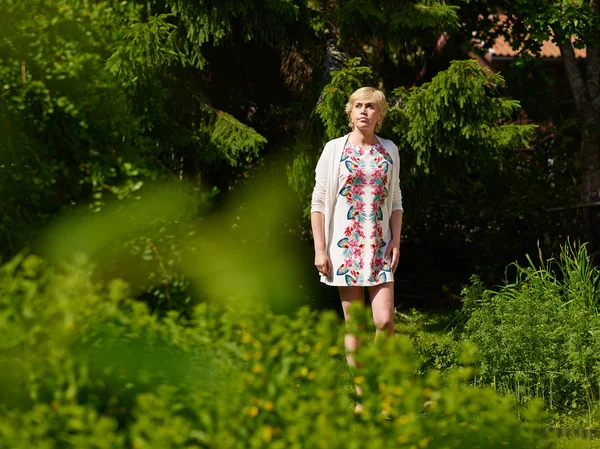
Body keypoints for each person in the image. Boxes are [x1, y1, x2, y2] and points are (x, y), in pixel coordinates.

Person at [310, 86, 403, 411]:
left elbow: (395, 200)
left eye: (371, 107)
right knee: (355, 324)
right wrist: (320, 249)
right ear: (349, 113)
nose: (364, 111)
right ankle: (364, 397)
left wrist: (396, 240)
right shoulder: (334, 149)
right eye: (358, 106)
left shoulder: (389, 150)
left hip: (379, 248)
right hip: (344, 248)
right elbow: (319, 202)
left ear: (380, 115)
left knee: (384, 322)